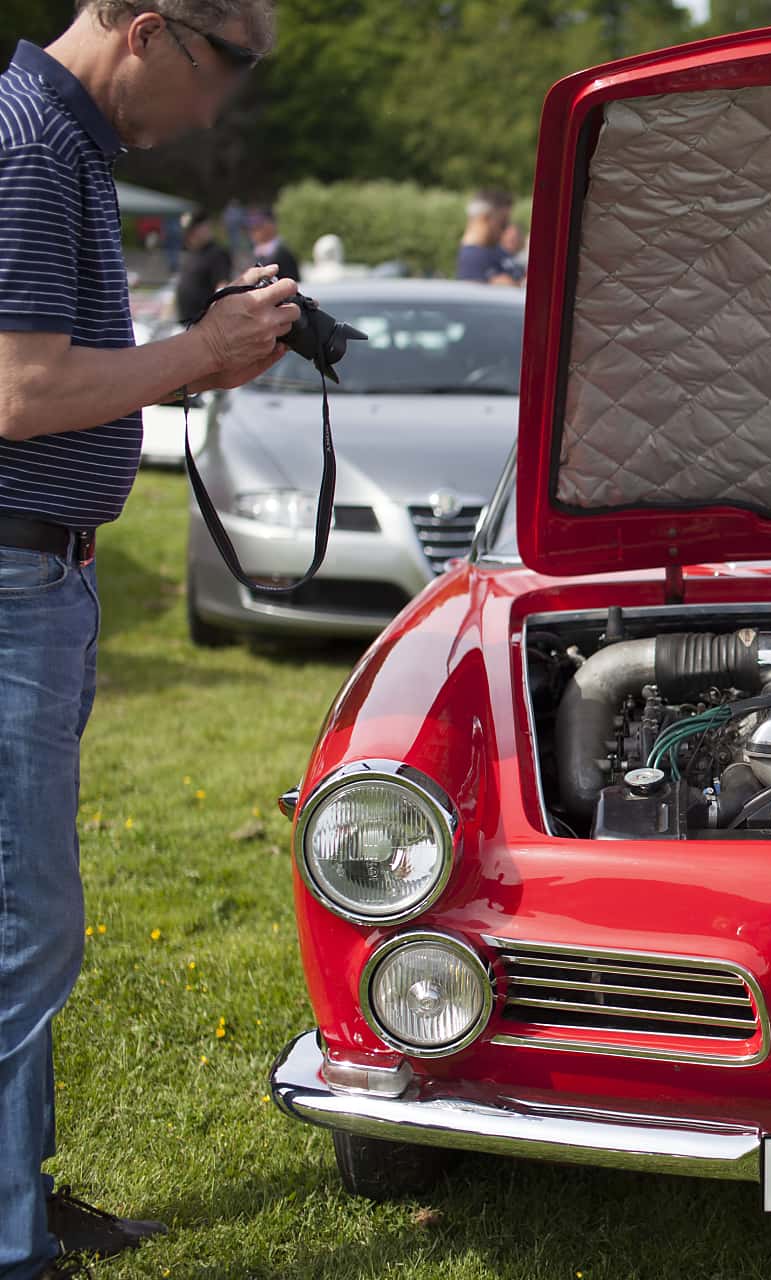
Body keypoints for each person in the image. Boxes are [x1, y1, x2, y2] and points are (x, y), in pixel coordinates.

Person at [0, 6, 297, 1278]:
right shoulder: (30, 144)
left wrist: (194, 361)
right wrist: (198, 348)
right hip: (12, 581)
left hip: (35, 577)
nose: (217, 109)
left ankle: (20, 1193)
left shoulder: (56, 140)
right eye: (225, 72)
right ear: (149, 25)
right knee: (23, 922)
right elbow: (19, 391)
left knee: (23, 919)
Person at [172, 208, 231, 323]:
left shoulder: (216, 253)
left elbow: (222, 286)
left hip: (203, 322)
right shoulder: (190, 252)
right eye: (188, 233)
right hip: (185, 320)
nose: (190, 237)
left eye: (193, 231)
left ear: (205, 227)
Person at [455, 189, 522, 286]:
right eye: (503, 222)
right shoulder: (472, 257)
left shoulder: (496, 250)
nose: (506, 228)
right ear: (484, 218)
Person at [245, 205, 298, 281]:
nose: (253, 231)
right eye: (250, 227)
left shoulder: (281, 252)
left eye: (258, 226)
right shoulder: (256, 253)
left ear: (271, 225)